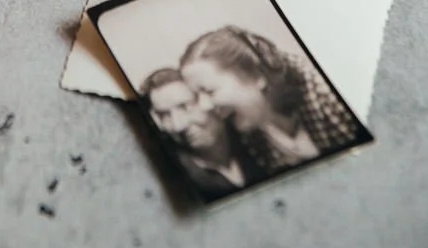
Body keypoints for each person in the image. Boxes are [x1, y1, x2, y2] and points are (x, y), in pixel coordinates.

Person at [179, 26, 360, 175]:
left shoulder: (326, 92)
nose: (204, 106)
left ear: (257, 75)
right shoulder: (248, 132)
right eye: (197, 96)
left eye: (209, 91)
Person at [141, 67, 259, 200]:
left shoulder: (258, 144)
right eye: (165, 116)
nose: (178, 125)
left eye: (185, 106)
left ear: (212, 101)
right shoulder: (177, 180)